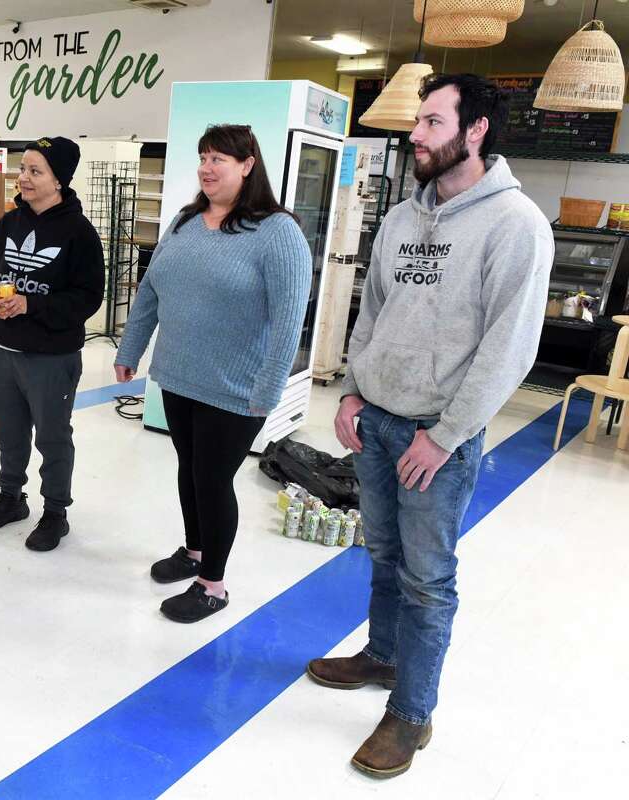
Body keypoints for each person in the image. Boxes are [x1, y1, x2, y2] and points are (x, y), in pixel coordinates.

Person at [305, 73, 552, 778]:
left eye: (434, 122)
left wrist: (444, 437)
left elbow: (509, 348)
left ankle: (412, 716)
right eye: (417, 121)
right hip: (377, 423)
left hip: (435, 440)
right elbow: (373, 310)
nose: (415, 134)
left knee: (427, 580)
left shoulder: (515, 225)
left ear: (475, 132)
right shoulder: (402, 218)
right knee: (383, 555)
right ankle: (382, 657)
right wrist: (352, 391)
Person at [115, 124, 312, 623]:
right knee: (190, 471)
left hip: (236, 387)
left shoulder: (277, 232)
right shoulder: (184, 222)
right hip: (180, 376)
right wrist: (131, 348)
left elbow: (290, 319)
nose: (206, 167)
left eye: (219, 158)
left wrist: (270, 387)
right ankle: (195, 551)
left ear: (248, 165)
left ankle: (213, 586)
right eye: (203, 157)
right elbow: (151, 291)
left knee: (213, 480)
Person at [0, 136, 104, 552]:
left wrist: (32, 304)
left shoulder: (79, 233)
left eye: (35, 171)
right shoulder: (8, 225)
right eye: (23, 168)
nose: (23, 178)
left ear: (59, 180)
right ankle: (11, 496)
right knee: (8, 432)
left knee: (51, 437)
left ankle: (55, 512)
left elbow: (88, 297)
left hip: (50, 357)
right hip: (2, 351)